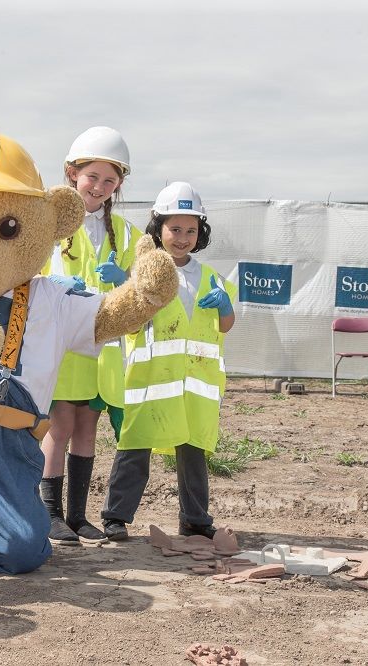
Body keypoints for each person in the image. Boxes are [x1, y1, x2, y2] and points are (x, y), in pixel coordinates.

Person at [100, 181, 237, 541]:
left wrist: (225, 307)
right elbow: (127, 316)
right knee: (135, 447)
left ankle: (194, 518)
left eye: (191, 230)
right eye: (175, 229)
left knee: (193, 452)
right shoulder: (144, 270)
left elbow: (226, 325)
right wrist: (124, 284)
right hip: (152, 381)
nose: (182, 237)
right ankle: (115, 516)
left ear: (200, 233)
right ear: (158, 228)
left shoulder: (210, 279)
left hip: (195, 386)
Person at [40, 127, 142, 546]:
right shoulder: (48, 221)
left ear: (119, 184)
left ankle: (78, 516)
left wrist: (125, 281)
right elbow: (34, 277)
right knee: (59, 424)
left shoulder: (129, 233)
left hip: (103, 351)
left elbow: (142, 286)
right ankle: (49, 513)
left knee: (86, 427)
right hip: (63, 344)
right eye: (92, 176)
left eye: (109, 180)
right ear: (71, 172)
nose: (99, 187)